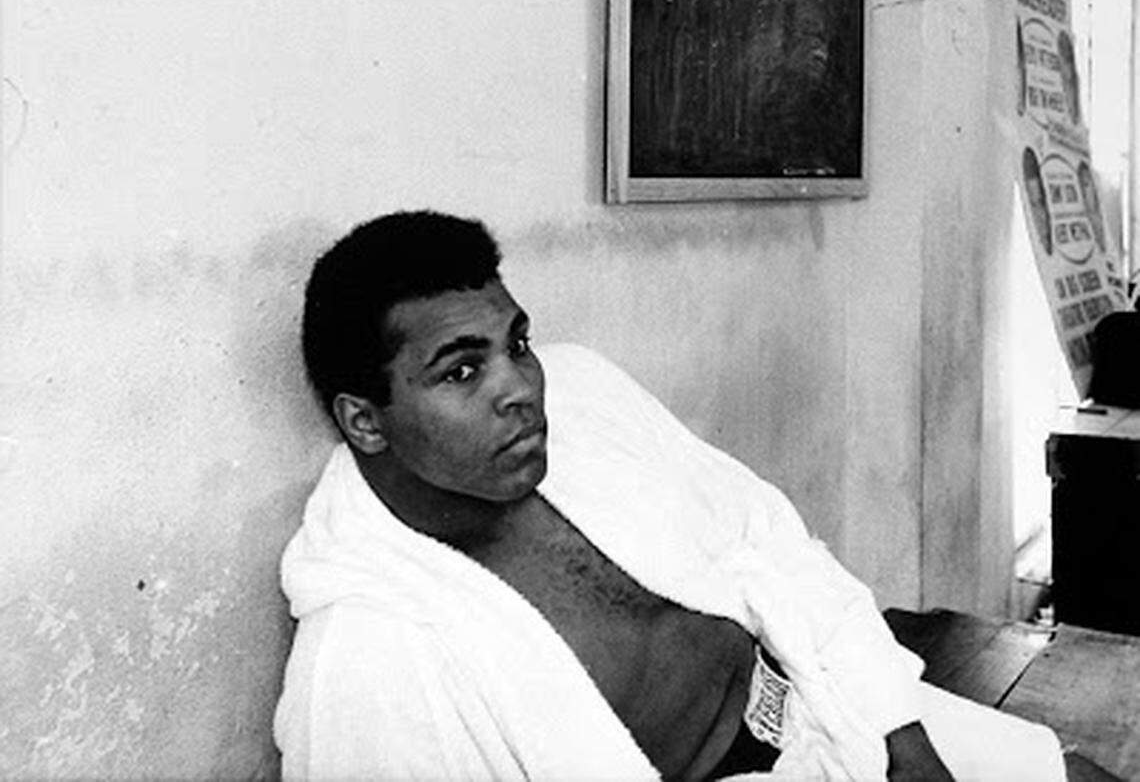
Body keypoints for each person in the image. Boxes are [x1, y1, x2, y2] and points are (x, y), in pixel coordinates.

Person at [273, 211, 1105, 782]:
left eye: (516, 342)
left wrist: (901, 736)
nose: (520, 386)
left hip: (827, 709)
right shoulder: (370, 657)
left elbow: (767, 538)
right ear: (365, 420)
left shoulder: (584, 393)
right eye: (462, 369)